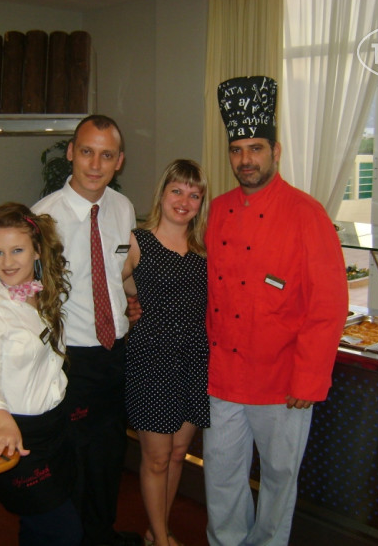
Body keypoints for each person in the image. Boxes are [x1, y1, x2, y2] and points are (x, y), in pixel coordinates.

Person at [0, 115, 140, 546]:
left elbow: (114, 272)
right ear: (71, 153)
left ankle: (101, 537)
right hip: (69, 360)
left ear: (119, 161)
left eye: (106, 155)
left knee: (108, 459)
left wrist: (127, 302)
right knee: (71, 467)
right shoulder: (42, 216)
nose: (95, 164)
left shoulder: (123, 208)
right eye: (86, 152)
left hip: (114, 355)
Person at [203, 76, 348, 545]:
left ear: (276, 151)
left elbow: (328, 306)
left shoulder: (308, 213)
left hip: (283, 381)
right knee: (220, 478)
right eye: (237, 150)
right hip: (225, 376)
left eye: (256, 149)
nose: (245, 159)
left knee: (279, 481)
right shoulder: (218, 210)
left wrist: (309, 378)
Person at [0, 202, 81, 545]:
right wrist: (3, 424)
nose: (6, 262)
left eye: (17, 250)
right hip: (18, 433)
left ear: (37, 251)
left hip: (54, 426)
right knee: (64, 532)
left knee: (38, 528)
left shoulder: (40, 291)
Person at [121, 159, 210, 546]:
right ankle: (160, 536)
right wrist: (128, 303)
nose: (184, 201)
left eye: (194, 194)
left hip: (195, 360)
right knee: (156, 458)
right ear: (162, 193)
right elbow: (105, 286)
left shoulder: (204, 248)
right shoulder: (137, 241)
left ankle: (156, 528)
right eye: (177, 190)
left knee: (177, 454)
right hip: (152, 362)